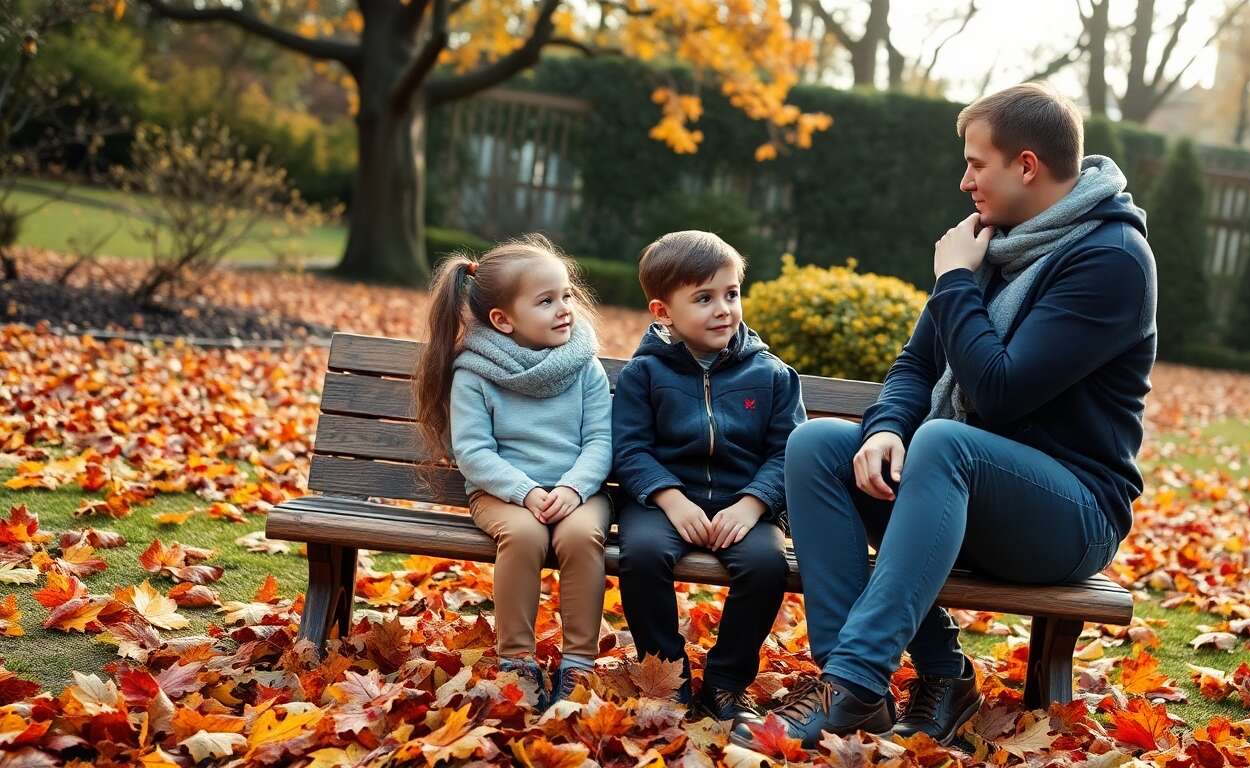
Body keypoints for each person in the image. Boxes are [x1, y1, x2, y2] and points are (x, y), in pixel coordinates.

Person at [735, 82, 1157, 748]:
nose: (964, 181)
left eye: (976, 163)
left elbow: (1000, 392)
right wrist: (880, 433)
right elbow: (915, 368)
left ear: (1025, 165)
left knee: (945, 443)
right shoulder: (996, 242)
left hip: (1071, 513)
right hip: (961, 487)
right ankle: (904, 682)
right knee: (818, 444)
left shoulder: (1110, 261)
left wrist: (955, 281)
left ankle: (850, 683)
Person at [612, 230, 806, 721]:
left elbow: (790, 450)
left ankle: (726, 682)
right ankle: (667, 674)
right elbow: (629, 449)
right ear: (663, 312)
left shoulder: (772, 375)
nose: (723, 309)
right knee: (642, 555)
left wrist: (755, 503)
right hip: (662, 502)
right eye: (703, 298)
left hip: (744, 503)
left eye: (731, 294)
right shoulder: (644, 375)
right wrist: (670, 498)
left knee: (766, 565)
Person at [414, 234, 612, 707]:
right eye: (546, 301)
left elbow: (600, 441)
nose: (565, 308)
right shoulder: (476, 372)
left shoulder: (584, 366)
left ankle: (579, 664)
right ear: (503, 320)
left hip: (578, 492)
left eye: (566, 295)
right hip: (501, 493)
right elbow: (474, 452)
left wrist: (573, 488)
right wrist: (524, 492)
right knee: (523, 536)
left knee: (580, 538)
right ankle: (517, 663)